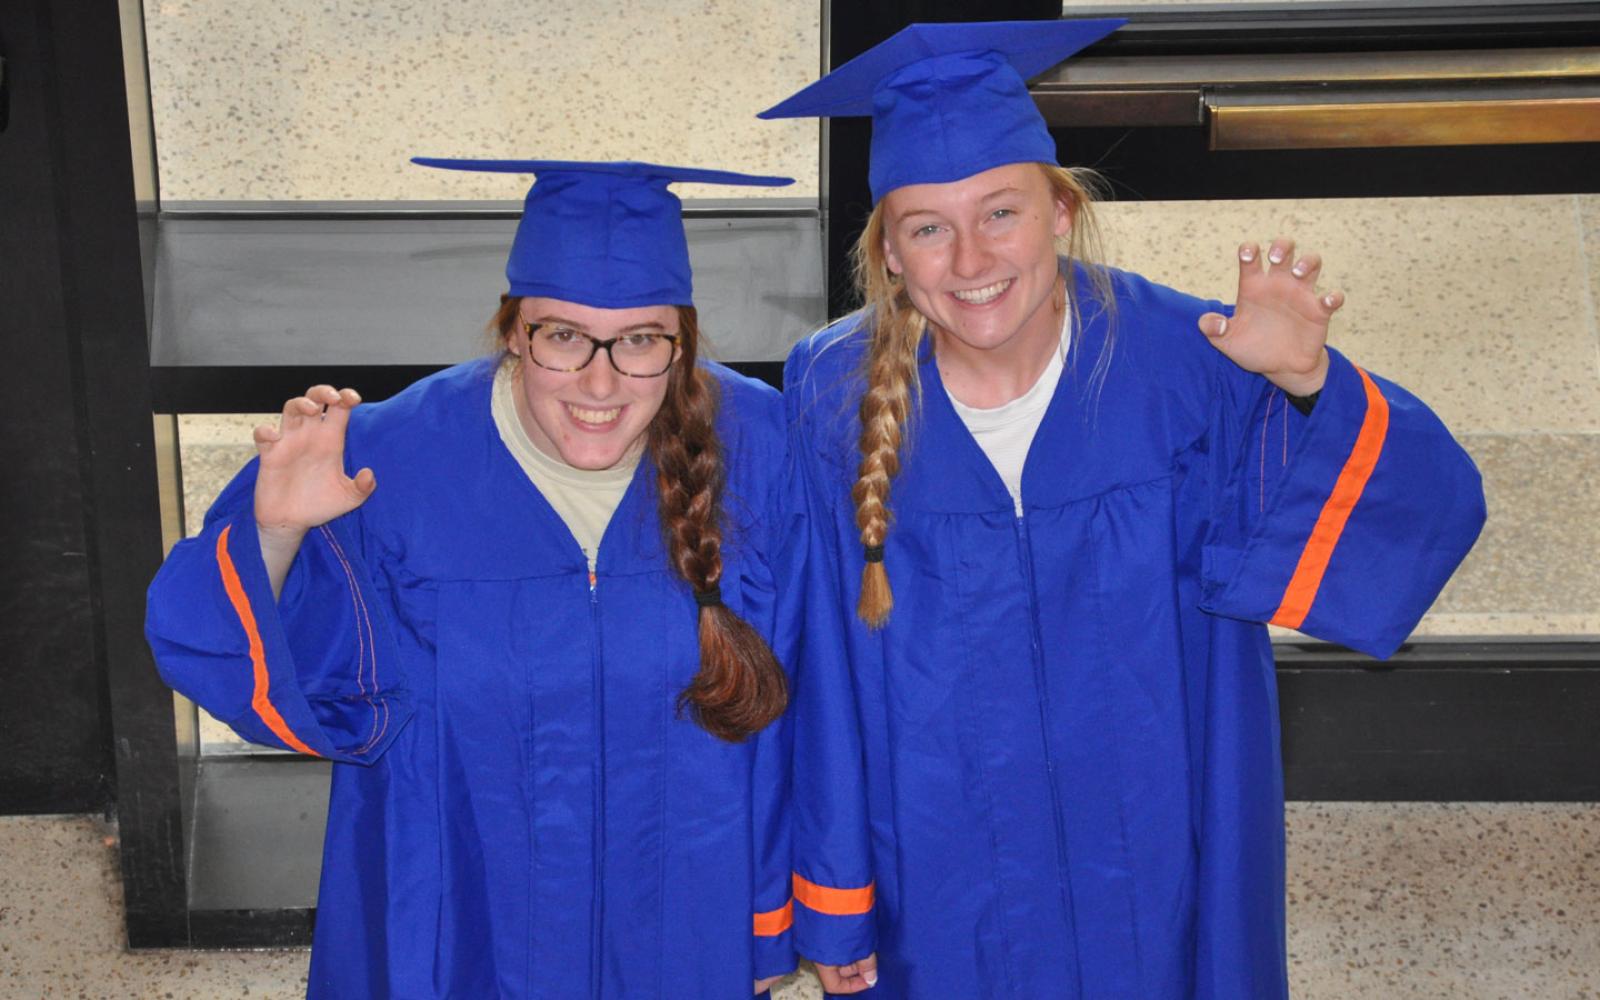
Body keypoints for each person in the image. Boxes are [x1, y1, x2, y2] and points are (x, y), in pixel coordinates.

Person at [760, 19, 1486, 1000]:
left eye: (1000, 212)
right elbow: (813, 661)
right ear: (888, 251)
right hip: (934, 866)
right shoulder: (826, 395)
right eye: (927, 225)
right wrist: (833, 893)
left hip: (1162, 845)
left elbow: (1425, 509)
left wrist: (1307, 378)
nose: (970, 256)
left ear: (1059, 213)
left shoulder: (1185, 358)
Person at [145, 159, 803, 998]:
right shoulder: (386, 462)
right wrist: (277, 531)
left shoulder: (763, 452)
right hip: (453, 915)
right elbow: (224, 654)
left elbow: (807, 707)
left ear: (682, 343)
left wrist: (765, 923)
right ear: (512, 332)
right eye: (563, 335)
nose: (600, 383)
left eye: (640, 339)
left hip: (681, 917)